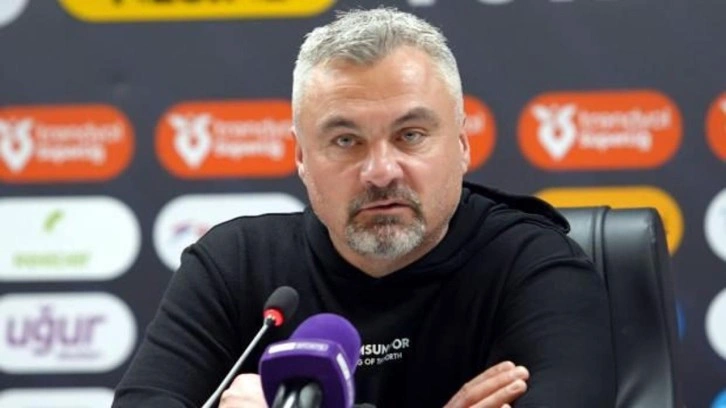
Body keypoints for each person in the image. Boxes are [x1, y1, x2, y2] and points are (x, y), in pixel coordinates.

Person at [113, 7, 615, 408]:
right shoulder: (235, 264)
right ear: (301, 157)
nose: (380, 171)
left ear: (461, 144)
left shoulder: (535, 265)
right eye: (346, 140)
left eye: (410, 135)